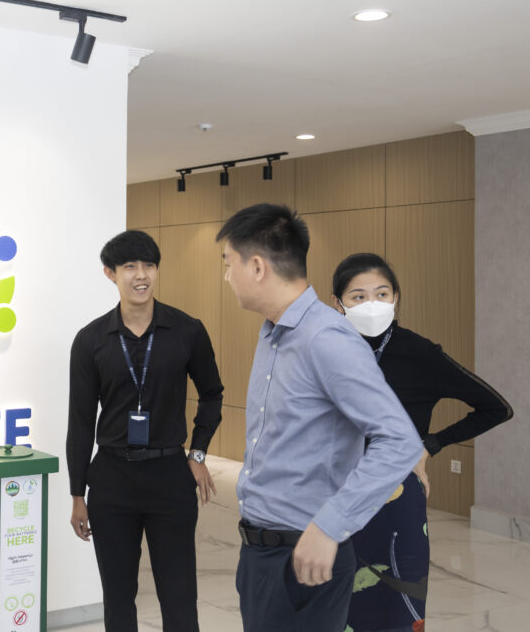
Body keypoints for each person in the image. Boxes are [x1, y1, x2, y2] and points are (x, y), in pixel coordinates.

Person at [216, 204, 423, 632]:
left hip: (305, 559)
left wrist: (330, 526)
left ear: (257, 267)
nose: (226, 276)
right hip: (261, 553)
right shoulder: (273, 333)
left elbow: (399, 440)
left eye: (228, 263)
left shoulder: (326, 337)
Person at [331, 252, 513, 632]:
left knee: (396, 608)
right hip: (331, 494)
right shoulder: (324, 351)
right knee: (332, 608)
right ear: (338, 303)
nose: (372, 304)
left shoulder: (419, 353)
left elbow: (496, 408)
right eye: (358, 296)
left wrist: (429, 445)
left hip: (395, 501)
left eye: (381, 294)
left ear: (396, 297)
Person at [67, 230, 224, 631]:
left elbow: (212, 394)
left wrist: (198, 453)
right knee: (118, 595)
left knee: (179, 592)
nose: (141, 275)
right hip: (112, 479)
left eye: (149, 265)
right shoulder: (90, 340)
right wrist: (77, 495)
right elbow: (80, 421)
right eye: (130, 267)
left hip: (169, 475)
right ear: (110, 273)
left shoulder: (187, 331)